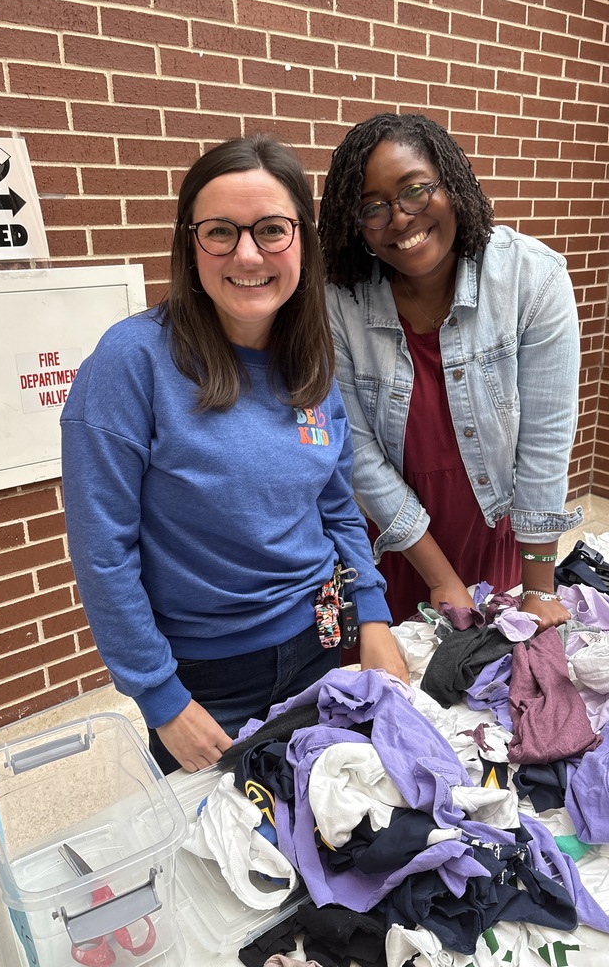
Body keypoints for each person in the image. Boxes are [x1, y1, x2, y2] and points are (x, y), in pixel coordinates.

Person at [61, 135, 407, 776]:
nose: (248, 254)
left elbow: (334, 504)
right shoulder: (131, 364)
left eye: (272, 230)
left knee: (324, 828)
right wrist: (162, 698)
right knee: (218, 856)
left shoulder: (310, 356)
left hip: (320, 634)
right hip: (207, 675)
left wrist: (374, 615)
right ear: (190, 246)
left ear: (302, 239)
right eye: (221, 231)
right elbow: (103, 551)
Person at [318, 113, 582, 634]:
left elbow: (546, 439)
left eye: (415, 189)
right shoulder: (336, 299)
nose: (399, 218)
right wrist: (440, 578)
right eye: (372, 207)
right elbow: (355, 451)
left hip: (490, 532)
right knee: (373, 692)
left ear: (451, 182)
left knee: (485, 682)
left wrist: (537, 584)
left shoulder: (533, 277)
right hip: (382, 540)